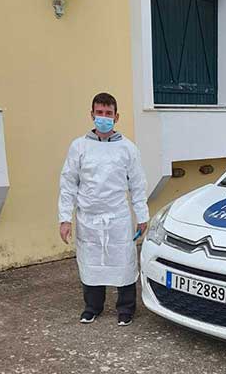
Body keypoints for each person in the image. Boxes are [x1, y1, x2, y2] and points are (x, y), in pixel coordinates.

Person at [58, 92, 149, 326]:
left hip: (117, 217)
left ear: (116, 117)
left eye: (108, 113)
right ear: (92, 115)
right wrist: (65, 219)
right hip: (89, 218)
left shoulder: (128, 149)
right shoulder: (79, 147)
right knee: (91, 264)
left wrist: (142, 216)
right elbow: (68, 183)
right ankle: (92, 307)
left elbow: (137, 185)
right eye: (99, 113)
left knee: (123, 263)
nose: (104, 117)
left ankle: (126, 308)